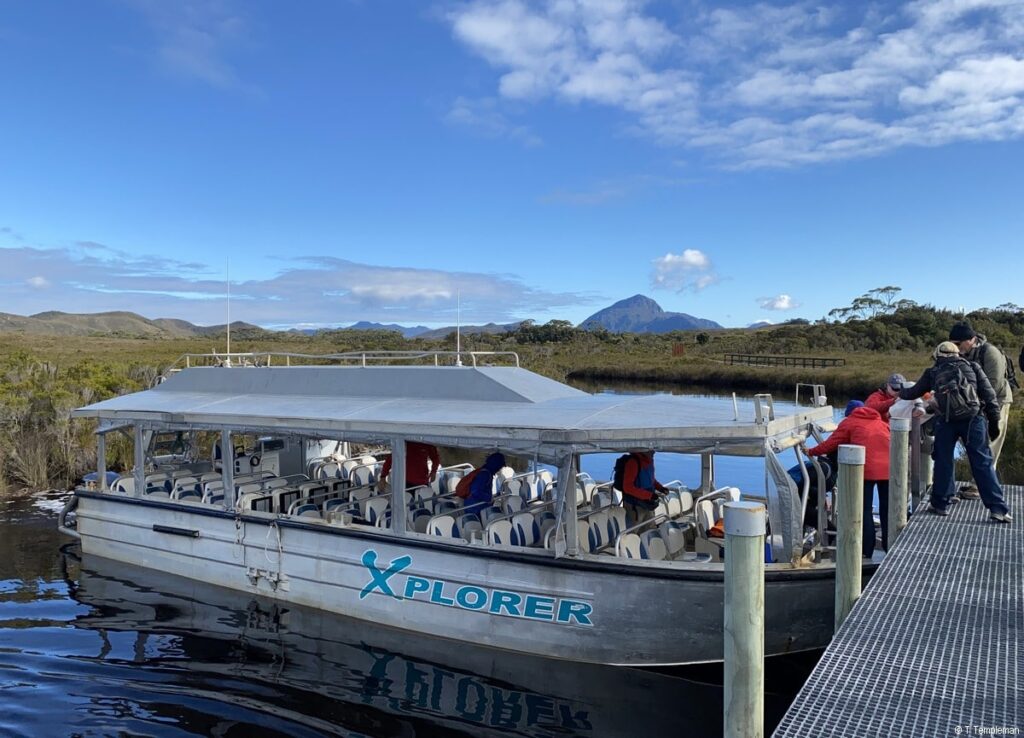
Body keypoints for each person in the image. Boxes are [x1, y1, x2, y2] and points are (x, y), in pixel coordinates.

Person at [900, 341, 1011, 523]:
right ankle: (998, 509)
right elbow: (989, 395)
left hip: (946, 421)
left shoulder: (932, 372)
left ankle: (940, 504)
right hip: (974, 420)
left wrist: (898, 390)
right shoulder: (973, 367)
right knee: (982, 463)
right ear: (957, 353)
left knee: (943, 461)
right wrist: (994, 423)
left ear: (938, 354)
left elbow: (911, 393)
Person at [806, 400, 891, 558]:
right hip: (888, 471)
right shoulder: (881, 423)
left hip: (865, 470)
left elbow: (830, 444)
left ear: (849, 413)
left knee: (864, 510)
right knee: (887, 511)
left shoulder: (850, 422)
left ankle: (866, 551)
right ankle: (889, 547)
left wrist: (810, 451)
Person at [948, 322, 1013, 498]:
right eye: (953, 344)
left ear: (971, 340)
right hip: (974, 404)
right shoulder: (963, 354)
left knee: (990, 442)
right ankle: (977, 482)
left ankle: (979, 486)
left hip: (997, 402)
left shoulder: (990, 353)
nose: (956, 347)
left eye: (959, 343)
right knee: (976, 444)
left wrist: (978, 405)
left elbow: (993, 385)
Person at [619, 451, 668, 526]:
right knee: (634, 530)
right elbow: (628, 487)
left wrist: (660, 488)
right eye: (651, 450)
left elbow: (651, 479)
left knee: (650, 528)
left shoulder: (649, 461)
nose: (653, 452)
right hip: (635, 506)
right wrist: (649, 495)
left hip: (648, 504)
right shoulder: (633, 463)